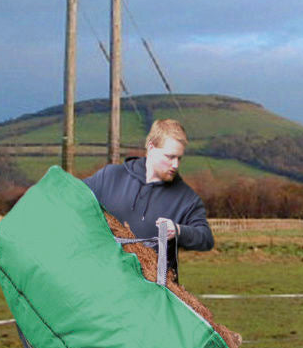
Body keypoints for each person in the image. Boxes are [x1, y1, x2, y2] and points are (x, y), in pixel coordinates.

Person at [84, 118, 213, 279]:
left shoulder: (185, 197)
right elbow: (72, 198)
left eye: (179, 158)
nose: (175, 165)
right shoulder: (109, 177)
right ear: (151, 148)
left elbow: (205, 238)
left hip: (153, 293)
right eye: (170, 157)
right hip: (105, 283)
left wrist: (179, 230)